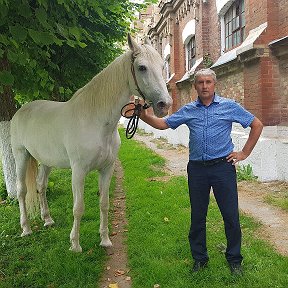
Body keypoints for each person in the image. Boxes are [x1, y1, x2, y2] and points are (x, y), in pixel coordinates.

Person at [139, 68, 263, 276]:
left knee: (230, 216)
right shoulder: (188, 110)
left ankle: (234, 260)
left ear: (215, 85)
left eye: (208, 82)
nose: (204, 86)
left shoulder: (228, 106)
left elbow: (256, 124)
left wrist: (243, 153)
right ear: (195, 86)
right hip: (197, 170)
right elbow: (162, 124)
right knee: (198, 217)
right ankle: (199, 260)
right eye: (200, 83)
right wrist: (143, 115)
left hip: (223, 167)